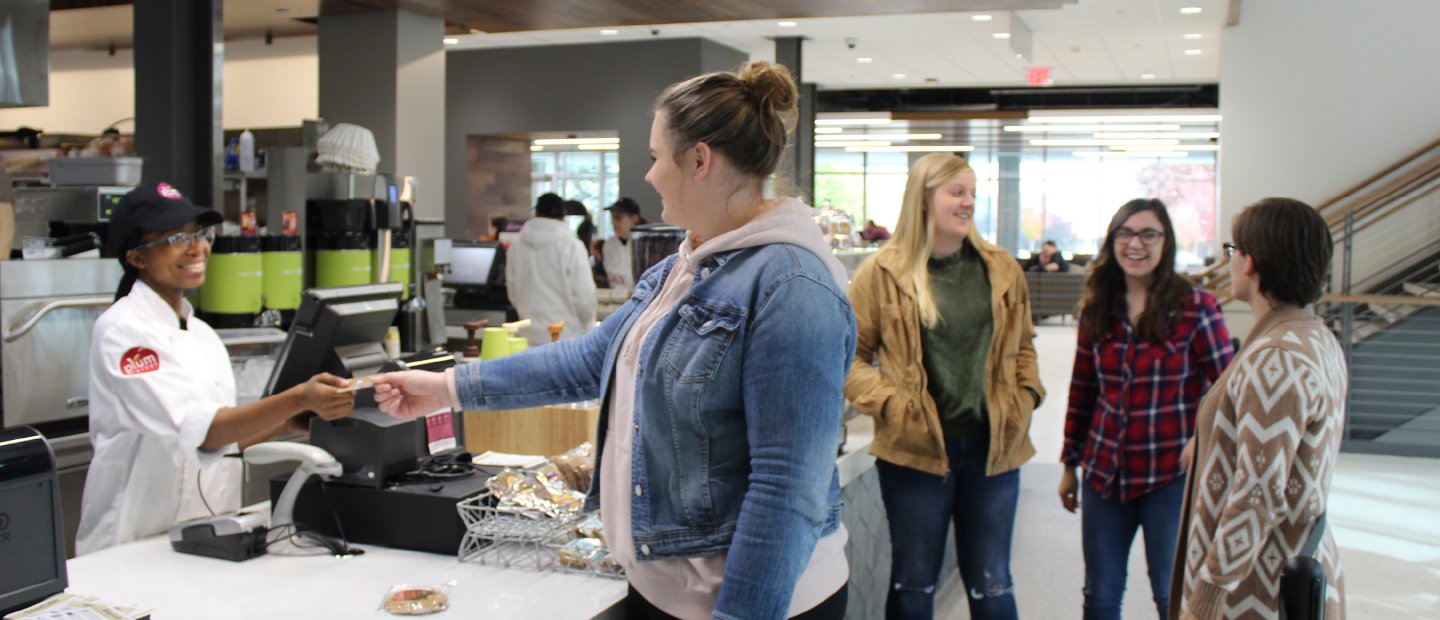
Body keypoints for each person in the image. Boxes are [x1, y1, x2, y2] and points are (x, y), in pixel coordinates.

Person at [372, 61, 854, 620]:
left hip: (748, 603)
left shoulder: (792, 286)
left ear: (700, 160)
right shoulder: (688, 264)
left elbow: (787, 488)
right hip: (661, 589)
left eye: (654, 157)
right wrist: (448, 387)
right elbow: (591, 359)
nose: (648, 176)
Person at [77, 182, 355, 555]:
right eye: (176, 237)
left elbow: (225, 436)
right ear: (137, 257)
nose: (198, 248)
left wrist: (289, 421)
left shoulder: (202, 333)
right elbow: (203, 432)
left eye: (200, 234)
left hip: (207, 531)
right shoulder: (124, 331)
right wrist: (295, 398)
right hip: (134, 536)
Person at [844, 153, 1044, 620]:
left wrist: (1026, 397)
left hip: (995, 450)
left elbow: (1025, 348)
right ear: (924, 199)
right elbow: (848, 357)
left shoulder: (1001, 268)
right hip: (914, 453)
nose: (968, 203)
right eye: (957, 192)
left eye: (972, 192)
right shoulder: (882, 272)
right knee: (914, 584)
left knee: (993, 585)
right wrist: (891, 405)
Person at [1170, 198, 1347, 620]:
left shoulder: (1278, 356)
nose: (1230, 261)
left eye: (1233, 250)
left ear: (1250, 263)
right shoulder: (1314, 336)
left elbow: (1258, 494)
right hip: (1287, 565)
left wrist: (1208, 598)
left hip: (1256, 589)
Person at [1059, 199, 1234, 620]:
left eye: (1148, 234)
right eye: (1125, 234)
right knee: (1099, 596)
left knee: (1170, 595)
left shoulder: (1197, 307)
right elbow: (1082, 390)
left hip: (1169, 475)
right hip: (1104, 473)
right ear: (1112, 241)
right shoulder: (1097, 309)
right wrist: (1070, 463)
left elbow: (1229, 386)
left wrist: (1204, 436)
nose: (1135, 244)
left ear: (1165, 243)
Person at [505, 192, 597, 344]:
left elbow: (513, 292)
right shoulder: (571, 245)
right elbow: (585, 296)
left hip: (527, 336)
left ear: (536, 213)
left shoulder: (517, 245)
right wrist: (587, 324)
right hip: (565, 336)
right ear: (562, 216)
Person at [602, 196, 644, 290]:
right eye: (612, 217)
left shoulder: (645, 245)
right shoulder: (609, 245)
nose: (614, 222)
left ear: (634, 219)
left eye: (619, 217)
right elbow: (613, 278)